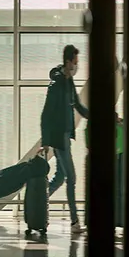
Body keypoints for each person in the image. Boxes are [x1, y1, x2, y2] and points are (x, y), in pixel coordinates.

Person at [41, 45, 89, 234]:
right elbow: (46, 114)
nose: (77, 66)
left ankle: (40, 201)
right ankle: (75, 221)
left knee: (60, 177)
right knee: (72, 177)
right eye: (75, 62)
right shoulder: (57, 85)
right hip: (59, 137)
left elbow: (78, 106)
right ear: (68, 62)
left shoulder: (69, 82)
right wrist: (45, 141)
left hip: (66, 136)